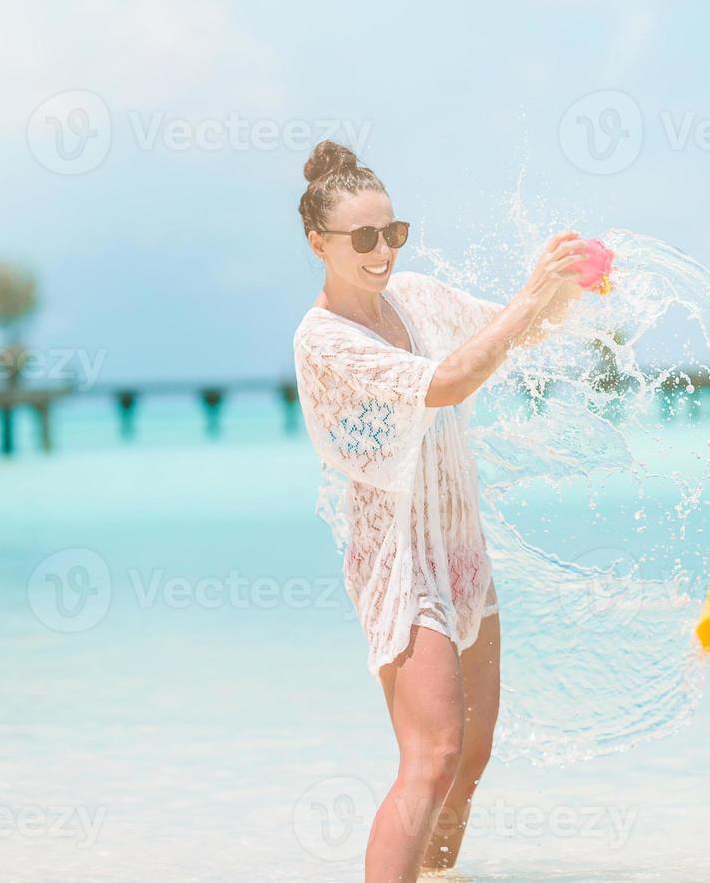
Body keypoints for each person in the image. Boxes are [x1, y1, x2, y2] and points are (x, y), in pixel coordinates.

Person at [291, 140, 588, 880]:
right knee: (432, 755)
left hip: (459, 543)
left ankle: (439, 875)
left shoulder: (415, 297)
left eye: (393, 233)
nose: (382, 250)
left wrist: (565, 282)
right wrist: (530, 298)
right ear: (317, 243)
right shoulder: (324, 340)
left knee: (473, 752)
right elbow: (451, 379)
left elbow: (516, 332)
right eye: (363, 238)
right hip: (398, 557)